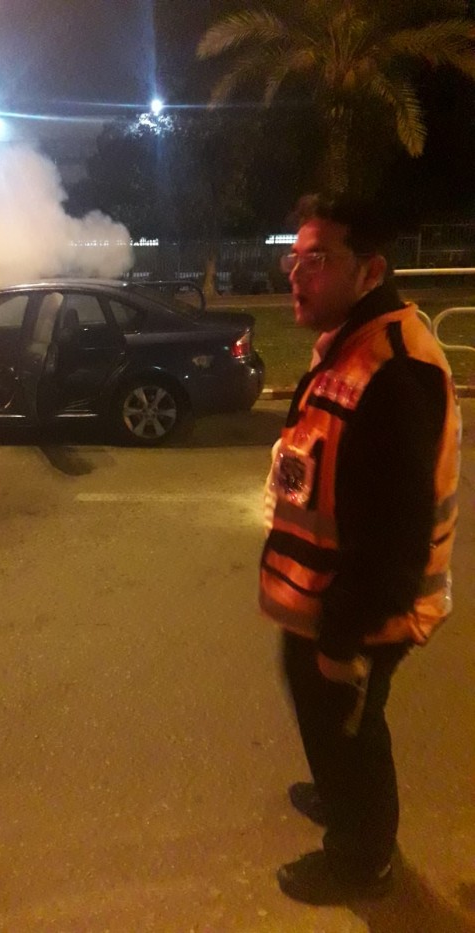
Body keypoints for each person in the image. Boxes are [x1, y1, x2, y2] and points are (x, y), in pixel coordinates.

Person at [260, 194, 461, 905]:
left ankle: (363, 853)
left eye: (317, 259)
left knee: (351, 723)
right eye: (293, 258)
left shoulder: (396, 369)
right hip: (327, 597)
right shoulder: (351, 341)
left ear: (370, 270)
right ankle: (340, 788)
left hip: (365, 611)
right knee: (323, 711)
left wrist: (340, 637)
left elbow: (394, 538)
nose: (296, 274)